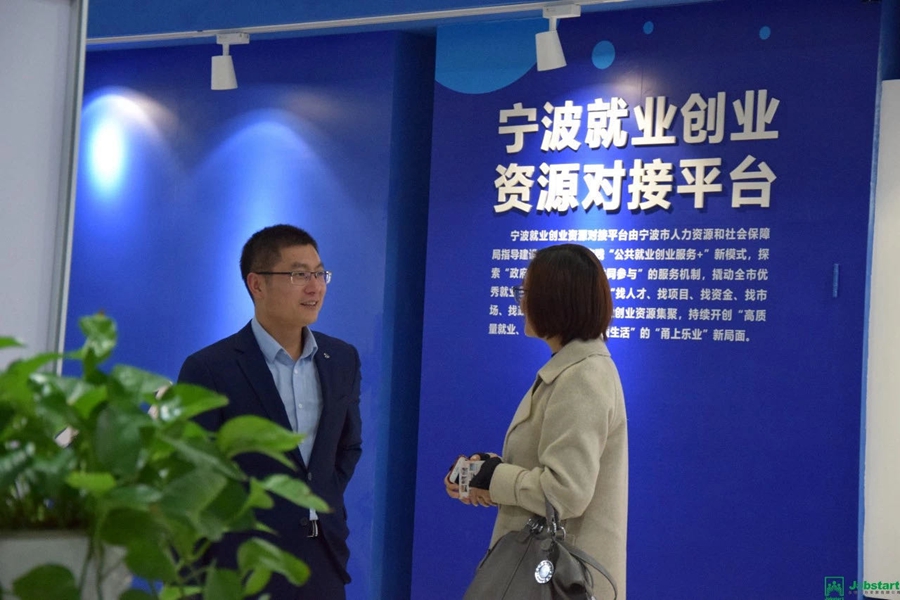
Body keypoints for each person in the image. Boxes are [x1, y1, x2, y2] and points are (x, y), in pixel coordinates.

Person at [178, 224, 362, 599]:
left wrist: (317, 498)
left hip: (322, 561)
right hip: (242, 563)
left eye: (320, 274)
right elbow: (193, 475)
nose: (315, 287)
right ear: (257, 284)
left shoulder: (342, 358)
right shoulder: (210, 368)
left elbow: (347, 447)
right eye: (299, 275)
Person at [445, 243, 628, 600]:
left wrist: (495, 478)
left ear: (554, 300)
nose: (521, 304)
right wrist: (488, 472)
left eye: (526, 293)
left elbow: (565, 492)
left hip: (562, 581)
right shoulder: (573, 369)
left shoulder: (582, 376)